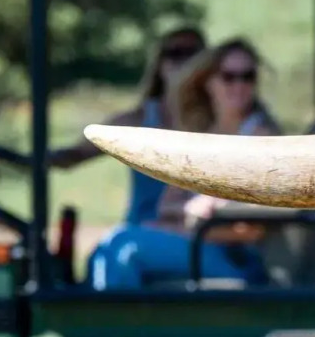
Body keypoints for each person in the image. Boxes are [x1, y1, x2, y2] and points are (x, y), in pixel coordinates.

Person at [89, 39, 280, 290]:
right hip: (197, 243)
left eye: (248, 77)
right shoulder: (202, 134)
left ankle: (114, 326)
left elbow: (254, 227)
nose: (239, 86)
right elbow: (167, 205)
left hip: (237, 258)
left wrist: (202, 220)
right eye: (229, 76)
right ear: (208, 82)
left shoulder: (261, 137)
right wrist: (191, 213)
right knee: (108, 247)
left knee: (126, 250)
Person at [47, 26, 206, 228]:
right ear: (159, 64)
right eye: (175, 53)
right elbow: (77, 153)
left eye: (194, 54)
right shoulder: (139, 121)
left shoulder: (219, 119)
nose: (185, 62)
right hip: (144, 226)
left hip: (201, 232)